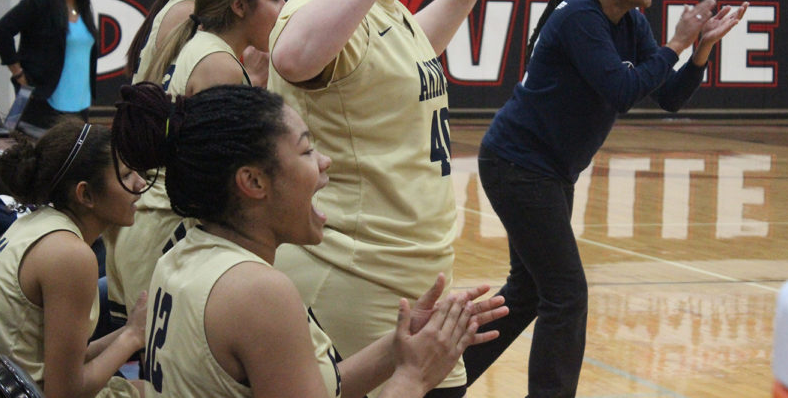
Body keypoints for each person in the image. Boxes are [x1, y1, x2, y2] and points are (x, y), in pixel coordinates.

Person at [267, 0, 516, 397]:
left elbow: (414, 48)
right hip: (356, 271)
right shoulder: (321, 4)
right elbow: (293, 55)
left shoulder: (383, 7)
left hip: (409, 268)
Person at [461, 0, 749, 398]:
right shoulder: (580, 15)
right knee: (566, 294)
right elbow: (621, 89)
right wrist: (676, 41)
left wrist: (699, 51)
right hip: (518, 164)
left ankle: (439, 382)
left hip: (549, 171)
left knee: (531, 292)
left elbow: (668, 97)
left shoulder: (630, 21)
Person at [111, 82, 509, 398]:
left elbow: (308, 387)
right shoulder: (258, 291)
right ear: (252, 182)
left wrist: (399, 347)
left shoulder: (182, 254)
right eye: (306, 150)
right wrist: (413, 378)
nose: (324, 161)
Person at [105, 0, 284, 327]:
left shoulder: (203, 47)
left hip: (150, 223)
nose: (283, 10)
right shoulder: (219, 62)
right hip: (167, 229)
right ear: (239, 5)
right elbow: (219, 172)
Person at [0, 119, 147, 398]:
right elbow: (64, 392)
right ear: (85, 194)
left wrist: (132, 331)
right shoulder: (69, 255)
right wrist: (132, 337)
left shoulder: (35, 224)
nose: (141, 182)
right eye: (126, 174)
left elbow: (61, 360)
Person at [0, 0, 97, 130]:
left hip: (79, 105)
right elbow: (2, 30)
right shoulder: (40, 0)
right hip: (41, 100)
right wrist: (18, 74)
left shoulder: (83, 8)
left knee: (74, 156)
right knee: (32, 153)